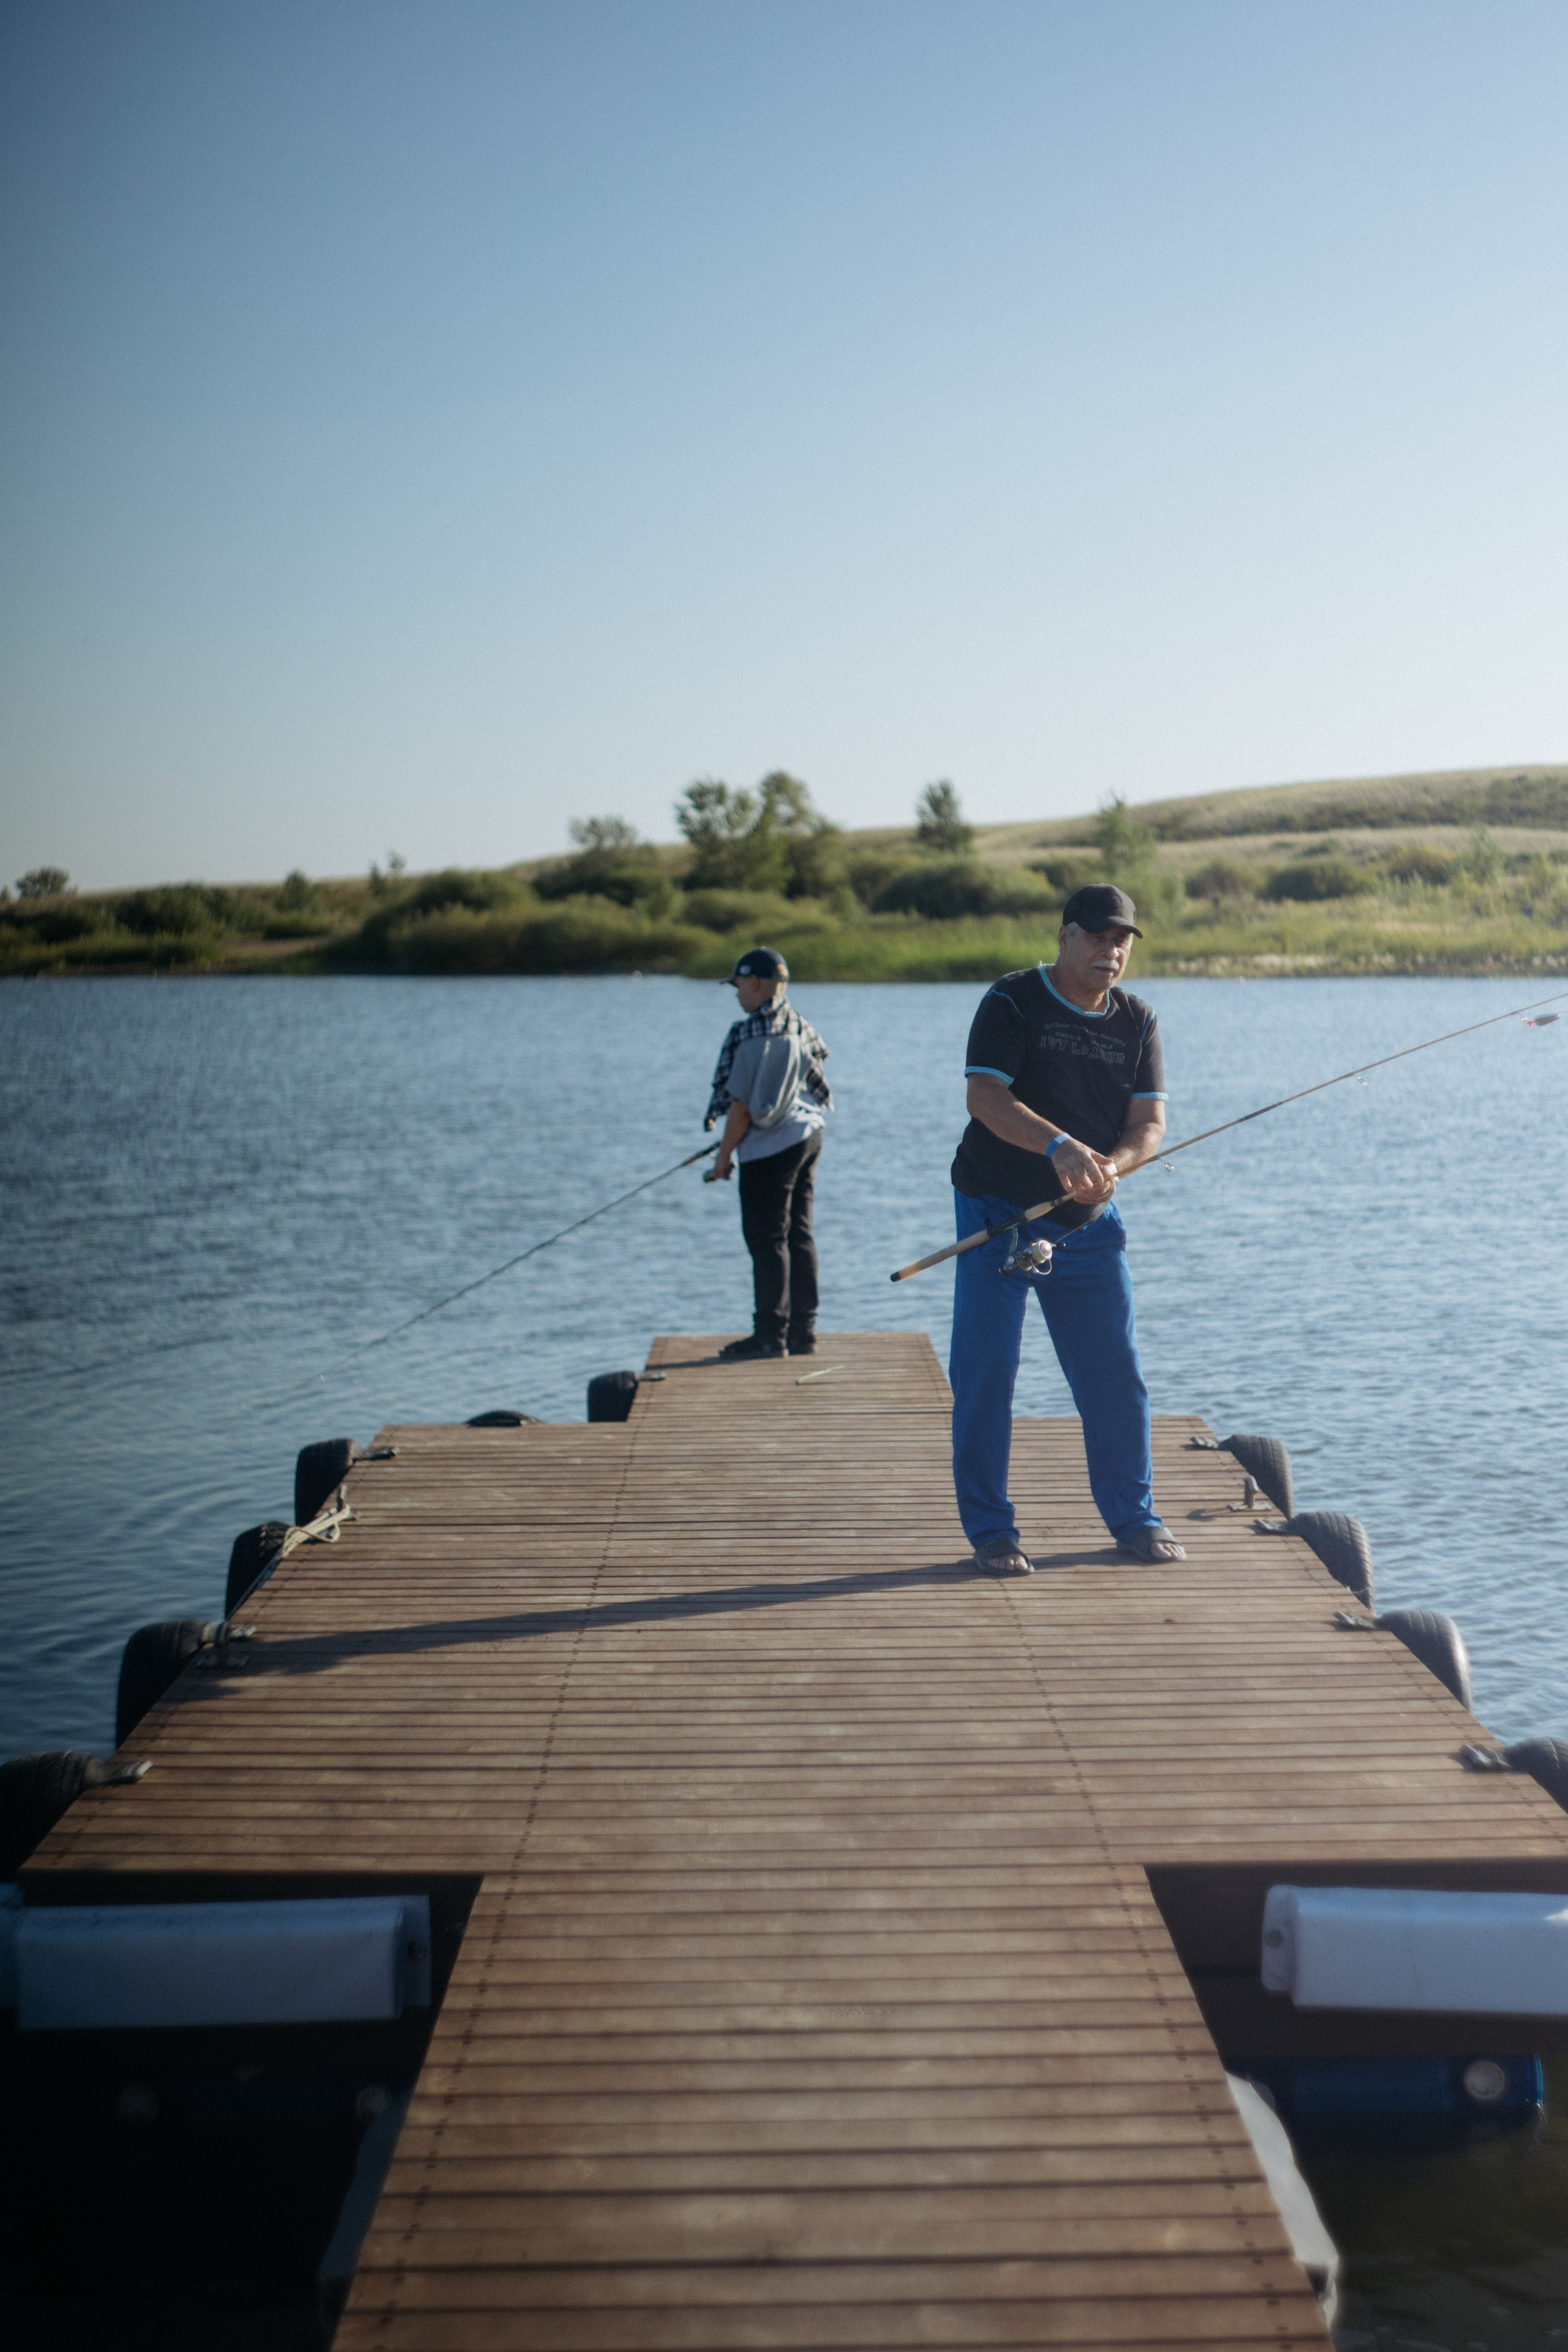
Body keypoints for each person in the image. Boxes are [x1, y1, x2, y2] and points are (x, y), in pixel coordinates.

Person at [948, 883, 1185, 1573]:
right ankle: (991, 1531)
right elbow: (984, 1096)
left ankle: (1135, 1519)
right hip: (997, 1209)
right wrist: (1058, 1146)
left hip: (1086, 1223)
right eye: (1098, 937)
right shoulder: (1012, 999)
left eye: (1122, 941)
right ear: (1065, 936)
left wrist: (1113, 1165)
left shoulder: (1138, 1020)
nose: (1111, 951)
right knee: (987, 1373)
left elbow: (1149, 1125)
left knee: (1116, 1376)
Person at [704, 947, 833, 1361]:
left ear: (756, 982)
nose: (737, 993)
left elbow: (741, 1107)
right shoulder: (799, 1024)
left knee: (767, 1240)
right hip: (808, 1136)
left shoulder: (747, 1033)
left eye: (739, 985)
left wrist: (723, 1159)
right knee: (799, 1234)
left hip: (770, 1149)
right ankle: (803, 1334)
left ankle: (769, 1337)